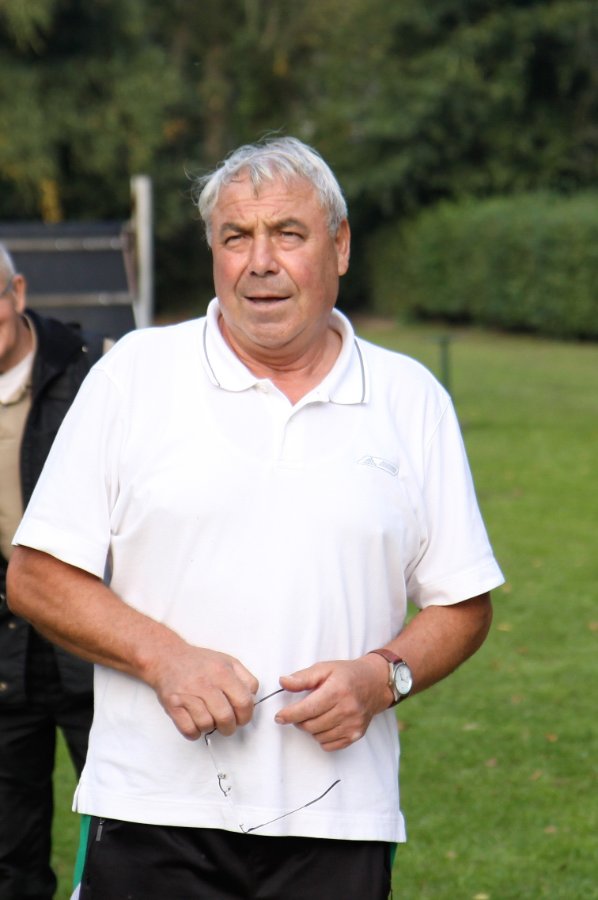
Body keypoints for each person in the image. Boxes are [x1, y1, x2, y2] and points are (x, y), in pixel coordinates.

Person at [7, 137, 504, 900]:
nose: (260, 262)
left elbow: (463, 602)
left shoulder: (410, 400)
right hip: (150, 811)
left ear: (340, 246)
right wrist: (164, 659)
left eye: (288, 234)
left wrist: (383, 677)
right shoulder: (134, 374)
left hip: (339, 817)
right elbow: (37, 576)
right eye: (236, 236)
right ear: (213, 250)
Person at [0, 242, 105, 900]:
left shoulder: (95, 374)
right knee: (9, 857)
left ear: (17, 293)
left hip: (94, 644)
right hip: (5, 657)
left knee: (126, 842)